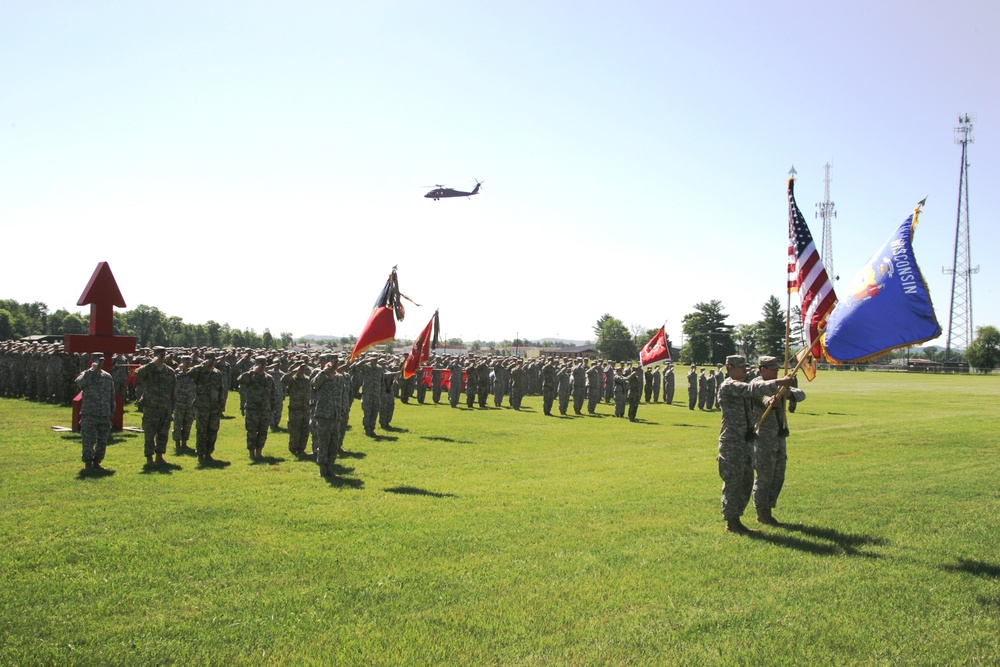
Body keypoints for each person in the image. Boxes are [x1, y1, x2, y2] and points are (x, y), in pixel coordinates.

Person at [716, 354, 794, 534]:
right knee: (733, 482)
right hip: (731, 442)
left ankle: (737, 518)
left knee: (746, 481)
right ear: (730, 368)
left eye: (745, 366)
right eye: (740, 366)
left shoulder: (744, 386)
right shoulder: (729, 386)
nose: (745, 369)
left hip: (746, 441)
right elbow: (751, 389)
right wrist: (778, 382)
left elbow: (758, 394)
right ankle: (731, 521)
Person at [750, 356, 806, 525]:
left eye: (777, 368)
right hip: (763, 437)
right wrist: (770, 401)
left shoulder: (780, 384)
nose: (776, 371)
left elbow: (801, 395)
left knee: (778, 475)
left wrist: (787, 392)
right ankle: (762, 511)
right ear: (763, 370)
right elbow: (759, 396)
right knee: (764, 475)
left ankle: (769, 507)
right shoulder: (756, 384)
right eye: (773, 369)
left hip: (779, 435)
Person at [135, 346, 176, 466]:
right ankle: (149, 458)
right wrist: (153, 363)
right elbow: (138, 374)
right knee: (149, 434)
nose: (162, 357)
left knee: (163, 434)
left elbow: (173, 391)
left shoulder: (169, 371)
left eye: (163, 355)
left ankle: (159, 456)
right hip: (151, 408)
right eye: (160, 355)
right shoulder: (148, 369)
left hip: (165, 408)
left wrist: (172, 408)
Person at [311, 354, 350, 477]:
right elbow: (314, 384)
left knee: (334, 443)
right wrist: (325, 370)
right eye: (333, 361)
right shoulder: (322, 375)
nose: (336, 364)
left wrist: (343, 410)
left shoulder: (339, 378)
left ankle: (330, 468)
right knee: (323, 443)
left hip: (336, 415)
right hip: (324, 415)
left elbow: (342, 395)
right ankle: (323, 470)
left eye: (337, 361)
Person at [75, 353, 115, 472]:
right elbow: (79, 383)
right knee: (88, 440)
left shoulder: (107, 377)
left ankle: (97, 462)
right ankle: (88, 463)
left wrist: (112, 411)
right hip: (90, 413)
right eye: (98, 361)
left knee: (102, 440)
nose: (100, 363)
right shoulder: (86, 375)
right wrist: (91, 371)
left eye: (102, 360)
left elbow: (111, 395)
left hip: (104, 414)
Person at [188, 351, 226, 462]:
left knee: (213, 431)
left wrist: (221, 405)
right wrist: (203, 365)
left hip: (214, 407)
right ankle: (200, 454)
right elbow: (190, 374)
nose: (213, 361)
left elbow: (221, 390)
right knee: (201, 431)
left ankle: (209, 453)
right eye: (211, 359)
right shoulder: (200, 371)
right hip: (202, 406)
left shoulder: (217, 373)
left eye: (214, 359)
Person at [239, 356, 276, 460]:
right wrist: (252, 372)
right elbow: (241, 380)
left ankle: (259, 451)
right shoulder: (250, 377)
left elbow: (273, 394)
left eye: (264, 365)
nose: (263, 367)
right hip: (252, 409)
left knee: (263, 431)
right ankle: (251, 452)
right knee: (251, 431)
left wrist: (272, 408)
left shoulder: (269, 378)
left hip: (265, 409)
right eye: (261, 364)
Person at [282, 360, 312, 457]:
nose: (302, 369)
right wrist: (293, 371)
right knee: (294, 431)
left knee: (305, 431)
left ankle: (301, 449)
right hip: (295, 409)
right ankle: (293, 449)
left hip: (306, 409)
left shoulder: (307, 379)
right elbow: (283, 380)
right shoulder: (292, 379)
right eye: (300, 367)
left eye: (303, 367)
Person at [172, 355, 197, 455]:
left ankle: (184, 442)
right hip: (179, 402)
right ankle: (177, 443)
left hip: (190, 402)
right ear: (181, 362)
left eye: (189, 362)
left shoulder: (193, 374)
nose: (188, 364)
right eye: (186, 362)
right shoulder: (176, 373)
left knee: (188, 423)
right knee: (178, 423)